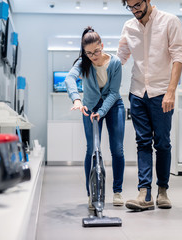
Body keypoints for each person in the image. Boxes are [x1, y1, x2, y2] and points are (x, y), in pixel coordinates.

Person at [117, 0, 182, 211]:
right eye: (130, 7)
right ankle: (144, 193)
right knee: (142, 142)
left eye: (138, 4)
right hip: (137, 93)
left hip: (162, 92)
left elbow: (178, 56)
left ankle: (162, 190)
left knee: (162, 142)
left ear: (148, 1)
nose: (135, 10)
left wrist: (171, 91)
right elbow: (120, 57)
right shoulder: (129, 27)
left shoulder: (170, 21)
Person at [65, 26, 125, 209]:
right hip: (89, 107)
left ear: (102, 46)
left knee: (117, 149)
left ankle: (117, 191)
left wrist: (103, 111)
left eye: (96, 51)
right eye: (89, 53)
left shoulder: (115, 63)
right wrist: (76, 99)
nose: (93, 56)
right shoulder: (83, 62)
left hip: (113, 106)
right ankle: (91, 194)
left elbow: (114, 93)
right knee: (92, 149)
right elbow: (69, 79)